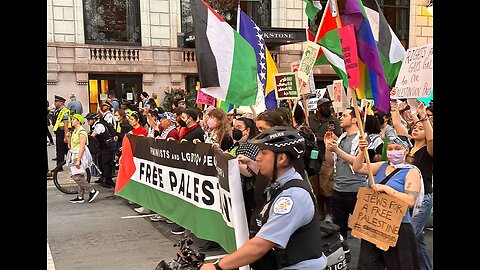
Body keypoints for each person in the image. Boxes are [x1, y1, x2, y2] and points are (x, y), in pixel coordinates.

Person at [200, 126, 327, 270]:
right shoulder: (277, 186)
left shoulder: (292, 197)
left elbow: (260, 245)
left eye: (263, 153)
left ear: (281, 158)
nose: (258, 157)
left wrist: (217, 267)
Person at [352, 135, 422, 270]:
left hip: (398, 227)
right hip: (374, 223)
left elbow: (410, 200)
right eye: (390, 148)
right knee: (368, 265)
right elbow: (357, 168)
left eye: (397, 148)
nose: (393, 151)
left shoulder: (411, 171)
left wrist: (386, 189)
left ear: (406, 150)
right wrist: (362, 151)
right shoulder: (381, 166)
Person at [324, 108, 367, 239]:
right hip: (338, 189)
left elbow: (357, 164)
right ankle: (343, 252)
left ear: (354, 120)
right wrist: (328, 147)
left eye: (344, 115)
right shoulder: (342, 137)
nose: (340, 118)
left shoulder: (362, 138)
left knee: (363, 230)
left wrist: (337, 150)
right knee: (338, 228)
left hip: (356, 189)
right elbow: (330, 162)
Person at [67, 114, 99, 203]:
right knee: (80, 176)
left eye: (73, 119)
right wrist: (68, 136)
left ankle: (92, 190)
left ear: (78, 121)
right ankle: (80, 196)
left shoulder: (82, 132)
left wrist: (78, 160)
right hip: (74, 154)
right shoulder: (75, 131)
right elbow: (70, 145)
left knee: (76, 176)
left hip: (79, 155)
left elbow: (82, 147)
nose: (71, 121)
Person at [85, 112, 116, 188]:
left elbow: (92, 136)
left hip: (107, 146)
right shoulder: (96, 125)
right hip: (102, 146)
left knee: (106, 163)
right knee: (101, 162)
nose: (88, 121)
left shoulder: (99, 126)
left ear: (94, 119)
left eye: (89, 119)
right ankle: (103, 177)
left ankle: (108, 181)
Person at [52, 95, 70, 168]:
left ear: (61, 102)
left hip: (62, 132)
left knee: (60, 150)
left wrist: (66, 136)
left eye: (56, 101)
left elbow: (66, 123)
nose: (55, 103)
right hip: (59, 132)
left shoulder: (64, 111)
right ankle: (73, 162)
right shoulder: (58, 110)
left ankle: (59, 167)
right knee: (65, 150)